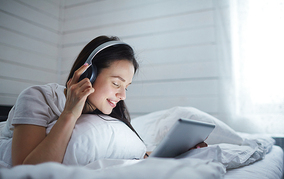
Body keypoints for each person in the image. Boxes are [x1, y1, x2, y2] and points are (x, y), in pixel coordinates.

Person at [2, 35, 206, 167]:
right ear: (88, 74)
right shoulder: (37, 97)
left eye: (126, 87)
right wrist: (70, 114)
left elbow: (120, 153)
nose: (123, 96)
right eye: (117, 84)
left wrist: (174, 151)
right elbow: (26, 170)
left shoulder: (104, 111)